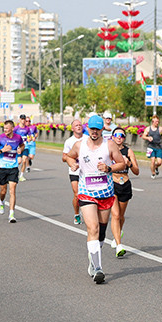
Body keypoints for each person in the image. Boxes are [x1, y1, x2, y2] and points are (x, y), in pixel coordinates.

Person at [63, 115, 126, 284]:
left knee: (102, 232)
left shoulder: (109, 145)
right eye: (92, 129)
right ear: (88, 128)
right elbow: (68, 156)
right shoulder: (79, 145)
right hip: (86, 192)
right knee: (93, 227)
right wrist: (72, 163)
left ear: (102, 130)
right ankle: (98, 268)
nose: (94, 132)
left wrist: (109, 168)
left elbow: (122, 164)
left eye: (98, 129)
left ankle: (93, 260)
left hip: (105, 192)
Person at [109, 127, 139, 257]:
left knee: (121, 216)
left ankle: (118, 232)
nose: (119, 137)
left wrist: (129, 164)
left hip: (125, 184)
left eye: (122, 135)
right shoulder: (108, 150)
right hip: (112, 184)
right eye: (117, 135)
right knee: (115, 215)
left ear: (124, 138)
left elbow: (137, 171)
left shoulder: (128, 151)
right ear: (113, 137)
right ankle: (119, 245)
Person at [0, 119, 25, 223]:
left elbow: (22, 145)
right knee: (3, 191)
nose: (5, 130)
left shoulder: (18, 137)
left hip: (13, 168)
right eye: (4, 128)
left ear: (12, 128)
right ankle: (1, 201)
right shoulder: (0, 138)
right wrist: (1, 150)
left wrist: (20, 150)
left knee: (12, 190)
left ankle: (12, 214)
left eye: (7, 128)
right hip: (2, 168)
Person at [62, 119, 86, 225]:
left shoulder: (88, 139)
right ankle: (77, 214)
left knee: (87, 194)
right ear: (72, 129)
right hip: (74, 171)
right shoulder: (69, 141)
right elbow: (63, 157)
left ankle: (88, 212)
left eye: (80, 125)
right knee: (77, 194)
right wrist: (71, 160)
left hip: (86, 171)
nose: (79, 126)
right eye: (76, 125)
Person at [14, 115, 29, 181]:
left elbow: (30, 136)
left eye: (24, 119)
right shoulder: (16, 128)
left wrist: (30, 138)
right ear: (19, 120)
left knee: (24, 160)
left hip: (25, 146)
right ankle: (14, 173)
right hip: (18, 147)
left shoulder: (27, 128)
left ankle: (21, 175)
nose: (23, 121)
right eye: (22, 119)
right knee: (19, 161)